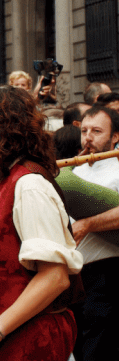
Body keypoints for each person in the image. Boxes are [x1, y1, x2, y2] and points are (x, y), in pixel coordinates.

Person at [0, 86, 82, 361]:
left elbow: (55, 277)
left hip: (33, 343)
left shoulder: (29, 185)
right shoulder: (11, 182)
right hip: (14, 341)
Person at [66, 106, 119, 361]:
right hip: (78, 273)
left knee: (100, 348)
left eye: (97, 131)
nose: (88, 137)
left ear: (115, 137)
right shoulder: (78, 169)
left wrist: (88, 225)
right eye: (84, 131)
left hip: (108, 272)